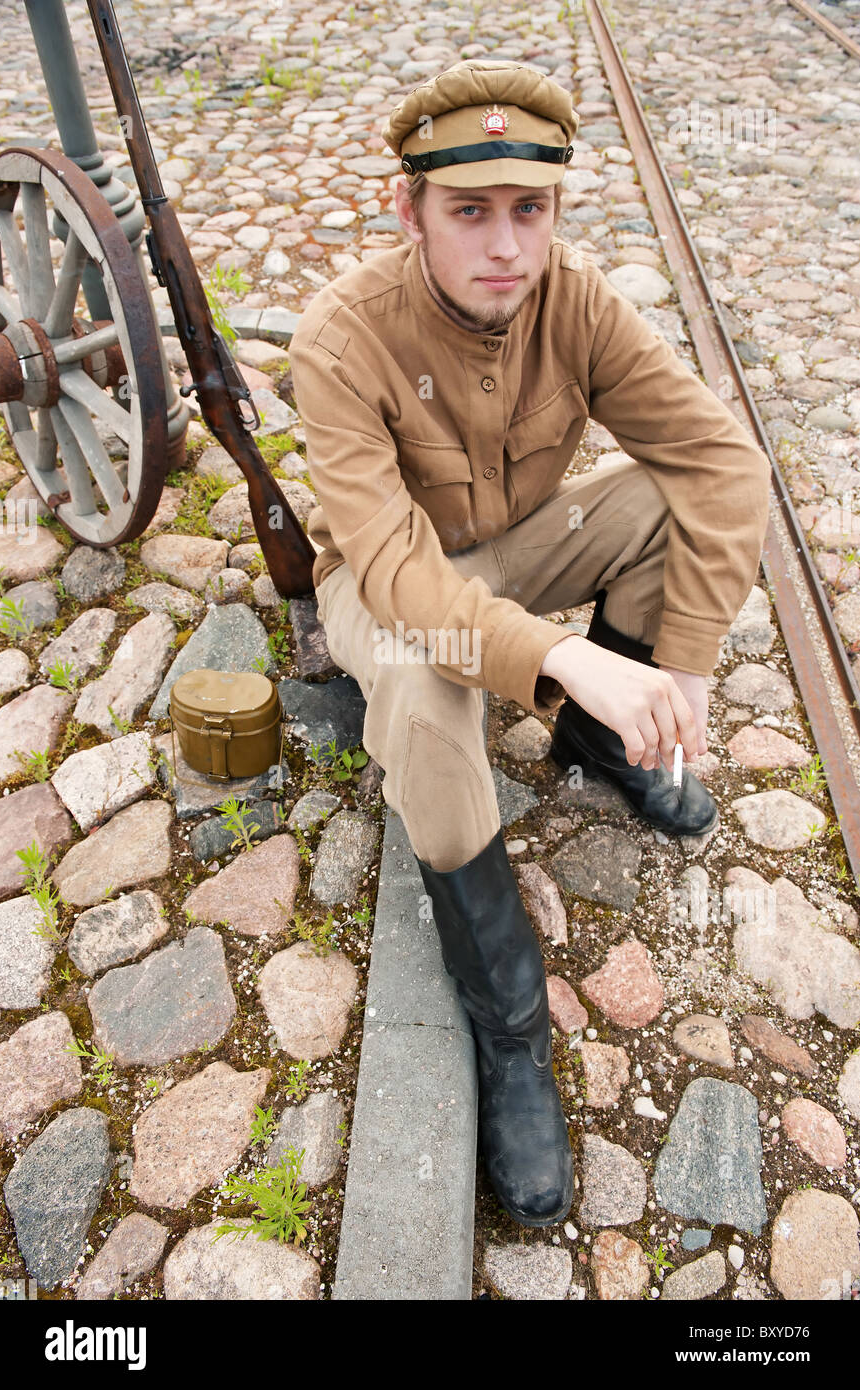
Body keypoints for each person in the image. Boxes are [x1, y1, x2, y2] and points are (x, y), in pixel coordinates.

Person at [287, 58, 771, 1227]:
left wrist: (682, 664)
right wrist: (557, 657)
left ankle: (602, 745)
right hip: (385, 578)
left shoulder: (578, 302)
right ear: (410, 213)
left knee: (664, 499)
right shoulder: (342, 335)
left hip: (512, 544)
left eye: (530, 210)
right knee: (416, 679)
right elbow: (398, 573)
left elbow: (723, 463)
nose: (506, 245)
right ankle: (508, 1025)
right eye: (470, 212)